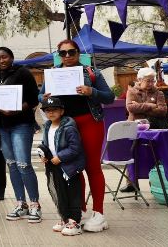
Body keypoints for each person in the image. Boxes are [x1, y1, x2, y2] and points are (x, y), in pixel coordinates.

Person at [39, 39, 114, 232]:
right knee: (72, 168)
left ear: (78, 53)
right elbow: (40, 96)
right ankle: (76, 212)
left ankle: (99, 213)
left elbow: (109, 97)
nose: (67, 56)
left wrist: (91, 91)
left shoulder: (91, 72)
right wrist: (44, 97)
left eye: (71, 52)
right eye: (62, 53)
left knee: (92, 166)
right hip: (65, 126)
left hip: (89, 122)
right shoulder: (53, 73)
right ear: (58, 55)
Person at [0, 46, 42, 223]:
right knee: (11, 164)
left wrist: (16, 109)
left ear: (11, 57)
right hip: (3, 126)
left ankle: (35, 204)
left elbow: (34, 100)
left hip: (21, 124)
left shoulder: (24, 73)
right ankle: (21, 203)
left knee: (23, 164)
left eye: (4, 57)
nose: (1, 60)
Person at [38, 97, 86, 236]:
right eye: (48, 110)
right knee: (60, 193)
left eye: (54, 110)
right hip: (55, 166)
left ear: (62, 111)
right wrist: (44, 154)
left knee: (73, 194)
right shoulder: (47, 126)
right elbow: (45, 143)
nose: (51, 113)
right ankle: (65, 218)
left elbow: (75, 148)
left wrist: (60, 157)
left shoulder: (69, 127)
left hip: (69, 167)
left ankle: (75, 221)